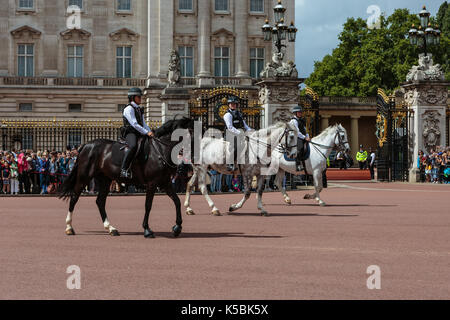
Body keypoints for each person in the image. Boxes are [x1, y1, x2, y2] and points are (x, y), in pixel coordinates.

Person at [120, 87, 154, 179]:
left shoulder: (139, 109)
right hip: (130, 133)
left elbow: (143, 123)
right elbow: (134, 124)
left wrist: (150, 131)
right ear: (132, 97)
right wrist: (146, 132)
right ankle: (124, 169)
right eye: (138, 97)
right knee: (133, 145)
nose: (140, 98)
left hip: (139, 132)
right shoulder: (129, 109)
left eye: (140, 97)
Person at [223, 96, 252, 172]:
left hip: (239, 133)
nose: (233, 105)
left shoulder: (239, 114)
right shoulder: (227, 115)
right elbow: (230, 127)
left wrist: (251, 131)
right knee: (236, 145)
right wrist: (240, 133)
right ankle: (230, 164)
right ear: (229, 105)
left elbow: (244, 125)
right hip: (230, 134)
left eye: (235, 104)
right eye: (231, 104)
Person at [289, 106, 311, 171]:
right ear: (295, 113)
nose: (300, 113)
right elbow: (297, 132)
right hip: (295, 137)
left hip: (302, 137)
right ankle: (298, 164)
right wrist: (305, 138)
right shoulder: (293, 121)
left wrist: (308, 137)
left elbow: (305, 130)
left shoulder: (301, 120)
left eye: (301, 112)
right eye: (299, 112)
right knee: (300, 146)